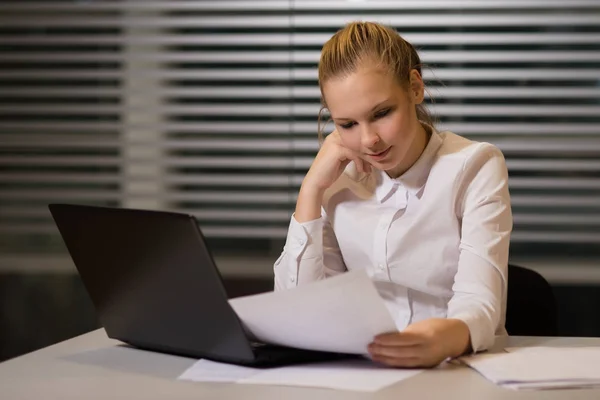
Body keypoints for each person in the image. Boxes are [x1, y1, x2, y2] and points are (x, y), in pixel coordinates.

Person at [273, 21, 512, 368]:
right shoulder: (337, 179)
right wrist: (311, 190)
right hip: (359, 374)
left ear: (415, 88)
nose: (369, 140)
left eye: (381, 113)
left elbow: (479, 303)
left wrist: (444, 336)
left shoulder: (475, 166)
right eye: (347, 124)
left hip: (454, 370)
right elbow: (297, 311)